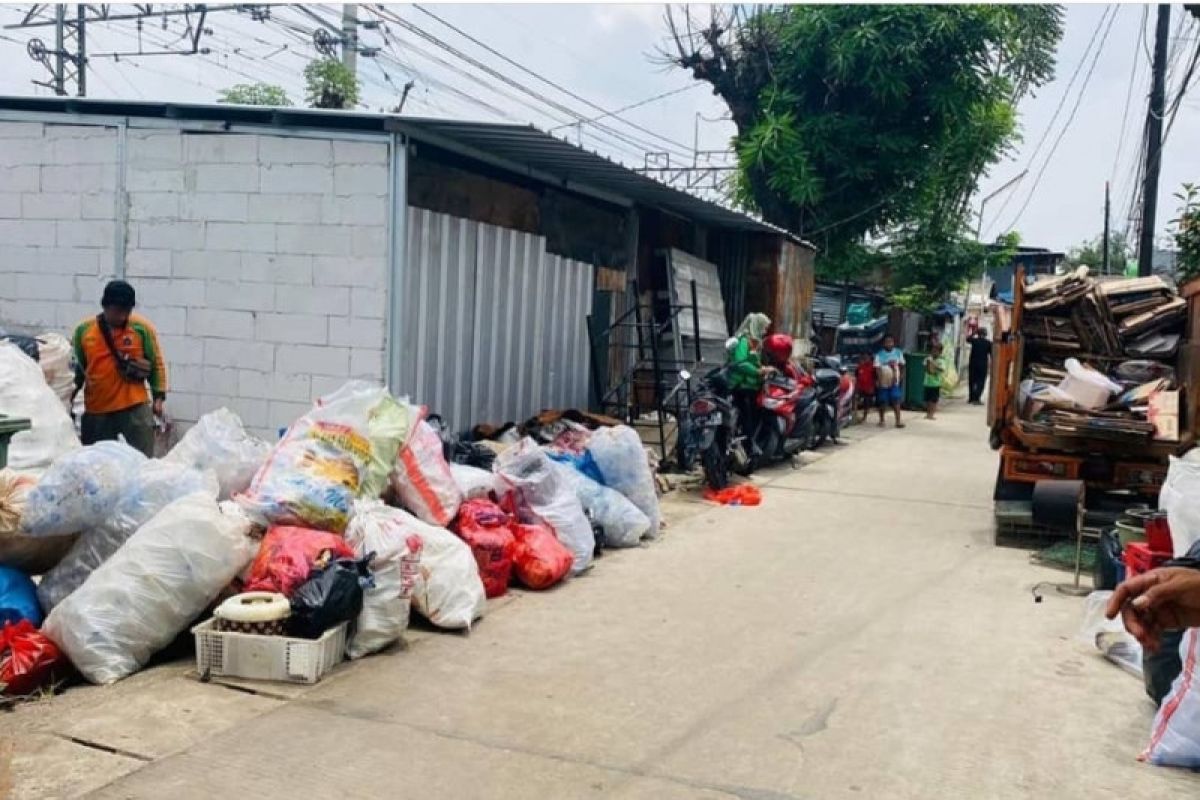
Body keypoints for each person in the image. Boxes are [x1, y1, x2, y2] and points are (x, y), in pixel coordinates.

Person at [72, 280, 168, 457]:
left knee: (142, 461)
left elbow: (156, 363)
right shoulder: (84, 331)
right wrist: (68, 398)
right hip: (97, 410)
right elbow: (77, 370)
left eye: (127, 311)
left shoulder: (141, 328)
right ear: (105, 306)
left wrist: (158, 396)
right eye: (118, 311)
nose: (123, 316)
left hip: (134, 408)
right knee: (97, 464)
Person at [728, 313, 772, 437]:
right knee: (747, 417)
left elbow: (753, 361)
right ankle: (749, 444)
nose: (765, 331)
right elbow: (740, 363)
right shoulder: (743, 341)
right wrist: (758, 371)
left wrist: (763, 368)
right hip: (741, 386)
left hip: (752, 386)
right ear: (757, 326)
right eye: (764, 327)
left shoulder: (755, 342)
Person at [874, 334, 905, 428]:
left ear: (893, 343)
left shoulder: (898, 353)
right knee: (883, 401)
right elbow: (877, 369)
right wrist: (879, 380)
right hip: (883, 382)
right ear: (883, 344)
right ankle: (882, 419)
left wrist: (901, 377)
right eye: (887, 342)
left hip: (895, 382)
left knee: (896, 400)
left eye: (891, 342)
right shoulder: (879, 354)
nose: (889, 344)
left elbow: (902, 366)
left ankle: (898, 421)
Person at [967, 327, 992, 405]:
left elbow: (968, 339)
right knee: (980, 382)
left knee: (972, 381)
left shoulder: (974, 341)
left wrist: (974, 332)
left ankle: (971, 398)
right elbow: (992, 354)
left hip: (973, 364)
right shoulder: (988, 343)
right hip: (982, 365)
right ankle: (977, 399)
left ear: (978, 334)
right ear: (985, 334)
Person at [923, 343, 944, 420]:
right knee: (927, 400)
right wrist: (929, 363)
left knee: (934, 400)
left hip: (936, 384)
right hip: (927, 383)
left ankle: (932, 414)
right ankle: (928, 413)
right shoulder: (928, 359)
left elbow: (942, 369)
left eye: (936, 351)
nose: (934, 352)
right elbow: (925, 367)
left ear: (940, 352)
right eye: (933, 350)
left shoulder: (941, 361)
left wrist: (934, 365)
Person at [855, 352, 876, 423]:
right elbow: (857, 376)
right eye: (864, 358)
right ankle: (855, 416)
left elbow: (875, 378)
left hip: (869, 388)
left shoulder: (873, 368)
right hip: (860, 387)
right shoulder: (859, 367)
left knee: (866, 403)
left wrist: (873, 387)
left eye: (867, 358)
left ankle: (864, 417)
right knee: (856, 401)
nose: (865, 359)